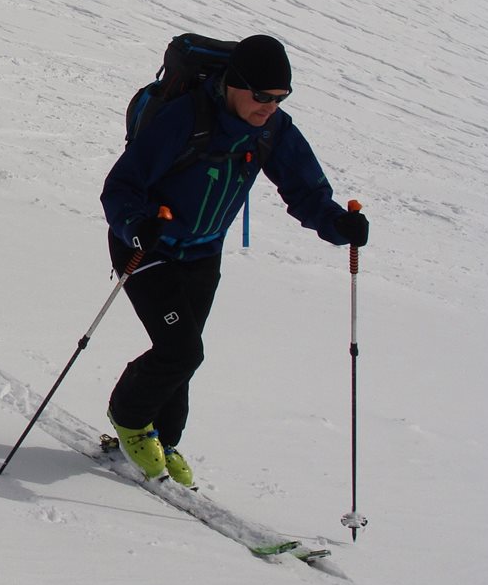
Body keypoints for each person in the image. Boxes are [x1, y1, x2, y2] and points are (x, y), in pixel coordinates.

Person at [100, 34, 369, 486]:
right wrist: (137, 224)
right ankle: (128, 418)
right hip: (147, 247)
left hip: (203, 252)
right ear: (233, 84)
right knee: (181, 349)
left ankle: (163, 438)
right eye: (262, 96)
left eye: (281, 98)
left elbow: (305, 190)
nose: (270, 106)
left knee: (184, 353)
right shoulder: (185, 118)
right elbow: (121, 186)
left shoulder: (273, 130)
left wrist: (337, 224)